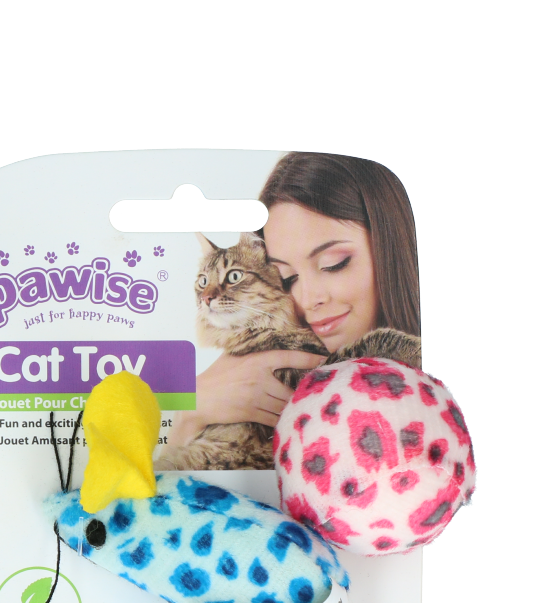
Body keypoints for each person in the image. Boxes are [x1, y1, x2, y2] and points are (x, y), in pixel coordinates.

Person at [164, 152, 421, 452]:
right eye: (287, 278)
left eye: (333, 264)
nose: (309, 300)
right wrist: (188, 415)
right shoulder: (243, 371)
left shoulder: (421, 401)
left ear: (390, 249)